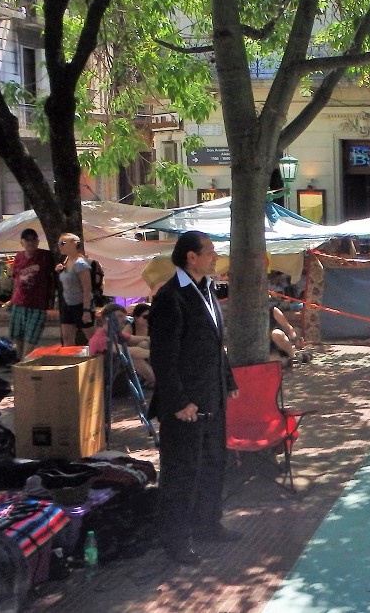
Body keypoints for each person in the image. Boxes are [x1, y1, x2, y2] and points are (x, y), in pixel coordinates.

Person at [149, 230, 240, 566]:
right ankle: (175, 539)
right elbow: (163, 357)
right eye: (210, 251)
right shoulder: (171, 297)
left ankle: (207, 523)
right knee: (182, 471)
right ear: (191, 256)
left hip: (212, 396)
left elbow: (216, 344)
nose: (215, 257)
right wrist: (179, 402)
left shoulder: (207, 290)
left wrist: (227, 379)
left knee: (213, 463)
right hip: (186, 405)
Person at [7, 227, 54, 358]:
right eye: (27, 240)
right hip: (18, 303)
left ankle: (24, 363)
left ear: (38, 241)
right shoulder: (18, 257)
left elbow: (52, 278)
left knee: (31, 337)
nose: (30, 243)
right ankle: (19, 362)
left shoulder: (45, 256)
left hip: (37, 304)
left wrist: (50, 300)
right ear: (22, 242)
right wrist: (12, 299)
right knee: (17, 335)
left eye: (33, 240)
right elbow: (16, 280)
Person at [54, 233, 94, 346]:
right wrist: (61, 270)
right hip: (67, 305)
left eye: (63, 243)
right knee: (67, 338)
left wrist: (86, 311)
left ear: (74, 243)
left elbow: (87, 289)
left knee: (92, 338)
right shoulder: (66, 261)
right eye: (59, 244)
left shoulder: (80, 264)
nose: (60, 246)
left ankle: (101, 361)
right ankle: (70, 361)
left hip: (81, 305)